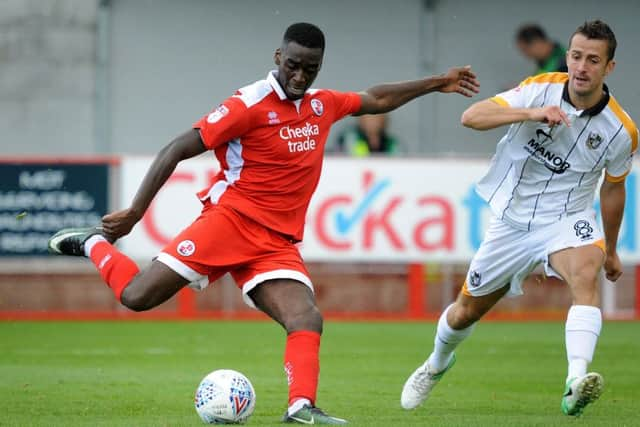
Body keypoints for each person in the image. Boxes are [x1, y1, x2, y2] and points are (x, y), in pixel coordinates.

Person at [47, 22, 479, 424]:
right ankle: (92, 245)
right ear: (278, 56)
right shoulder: (248, 104)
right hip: (229, 222)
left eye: (310, 68)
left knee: (306, 317)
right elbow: (177, 147)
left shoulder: (320, 104)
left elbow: (376, 98)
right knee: (137, 297)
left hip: (275, 242)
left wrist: (438, 82)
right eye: (292, 65)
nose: (299, 76)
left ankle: (301, 406)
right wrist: (135, 213)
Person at [401, 20, 637, 417]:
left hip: (567, 219)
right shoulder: (540, 87)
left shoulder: (622, 131)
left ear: (608, 68)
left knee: (586, 274)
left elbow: (614, 188)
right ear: (568, 56)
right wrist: (531, 113)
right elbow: (472, 116)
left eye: (593, 60)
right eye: (576, 56)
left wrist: (611, 250)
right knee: (464, 312)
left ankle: (575, 380)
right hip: (512, 223)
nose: (581, 67)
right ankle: (436, 364)